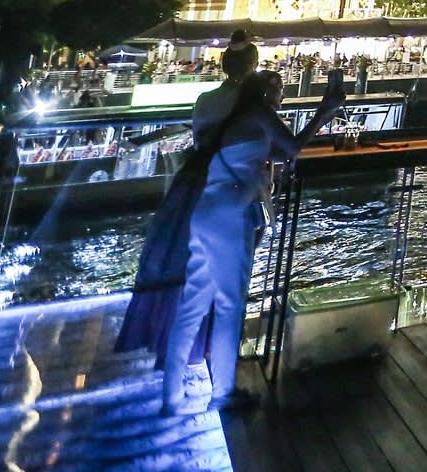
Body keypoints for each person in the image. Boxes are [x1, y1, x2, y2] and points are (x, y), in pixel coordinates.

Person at [122, 64, 343, 415]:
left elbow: (268, 153)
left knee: (193, 304)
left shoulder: (238, 118)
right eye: (278, 88)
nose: (282, 95)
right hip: (231, 214)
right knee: (229, 305)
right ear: (265, 91)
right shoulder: (259, 112)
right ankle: (223, 393)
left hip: (206, 211)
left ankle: (171, 395)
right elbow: (290, 148)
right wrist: (325, 110)